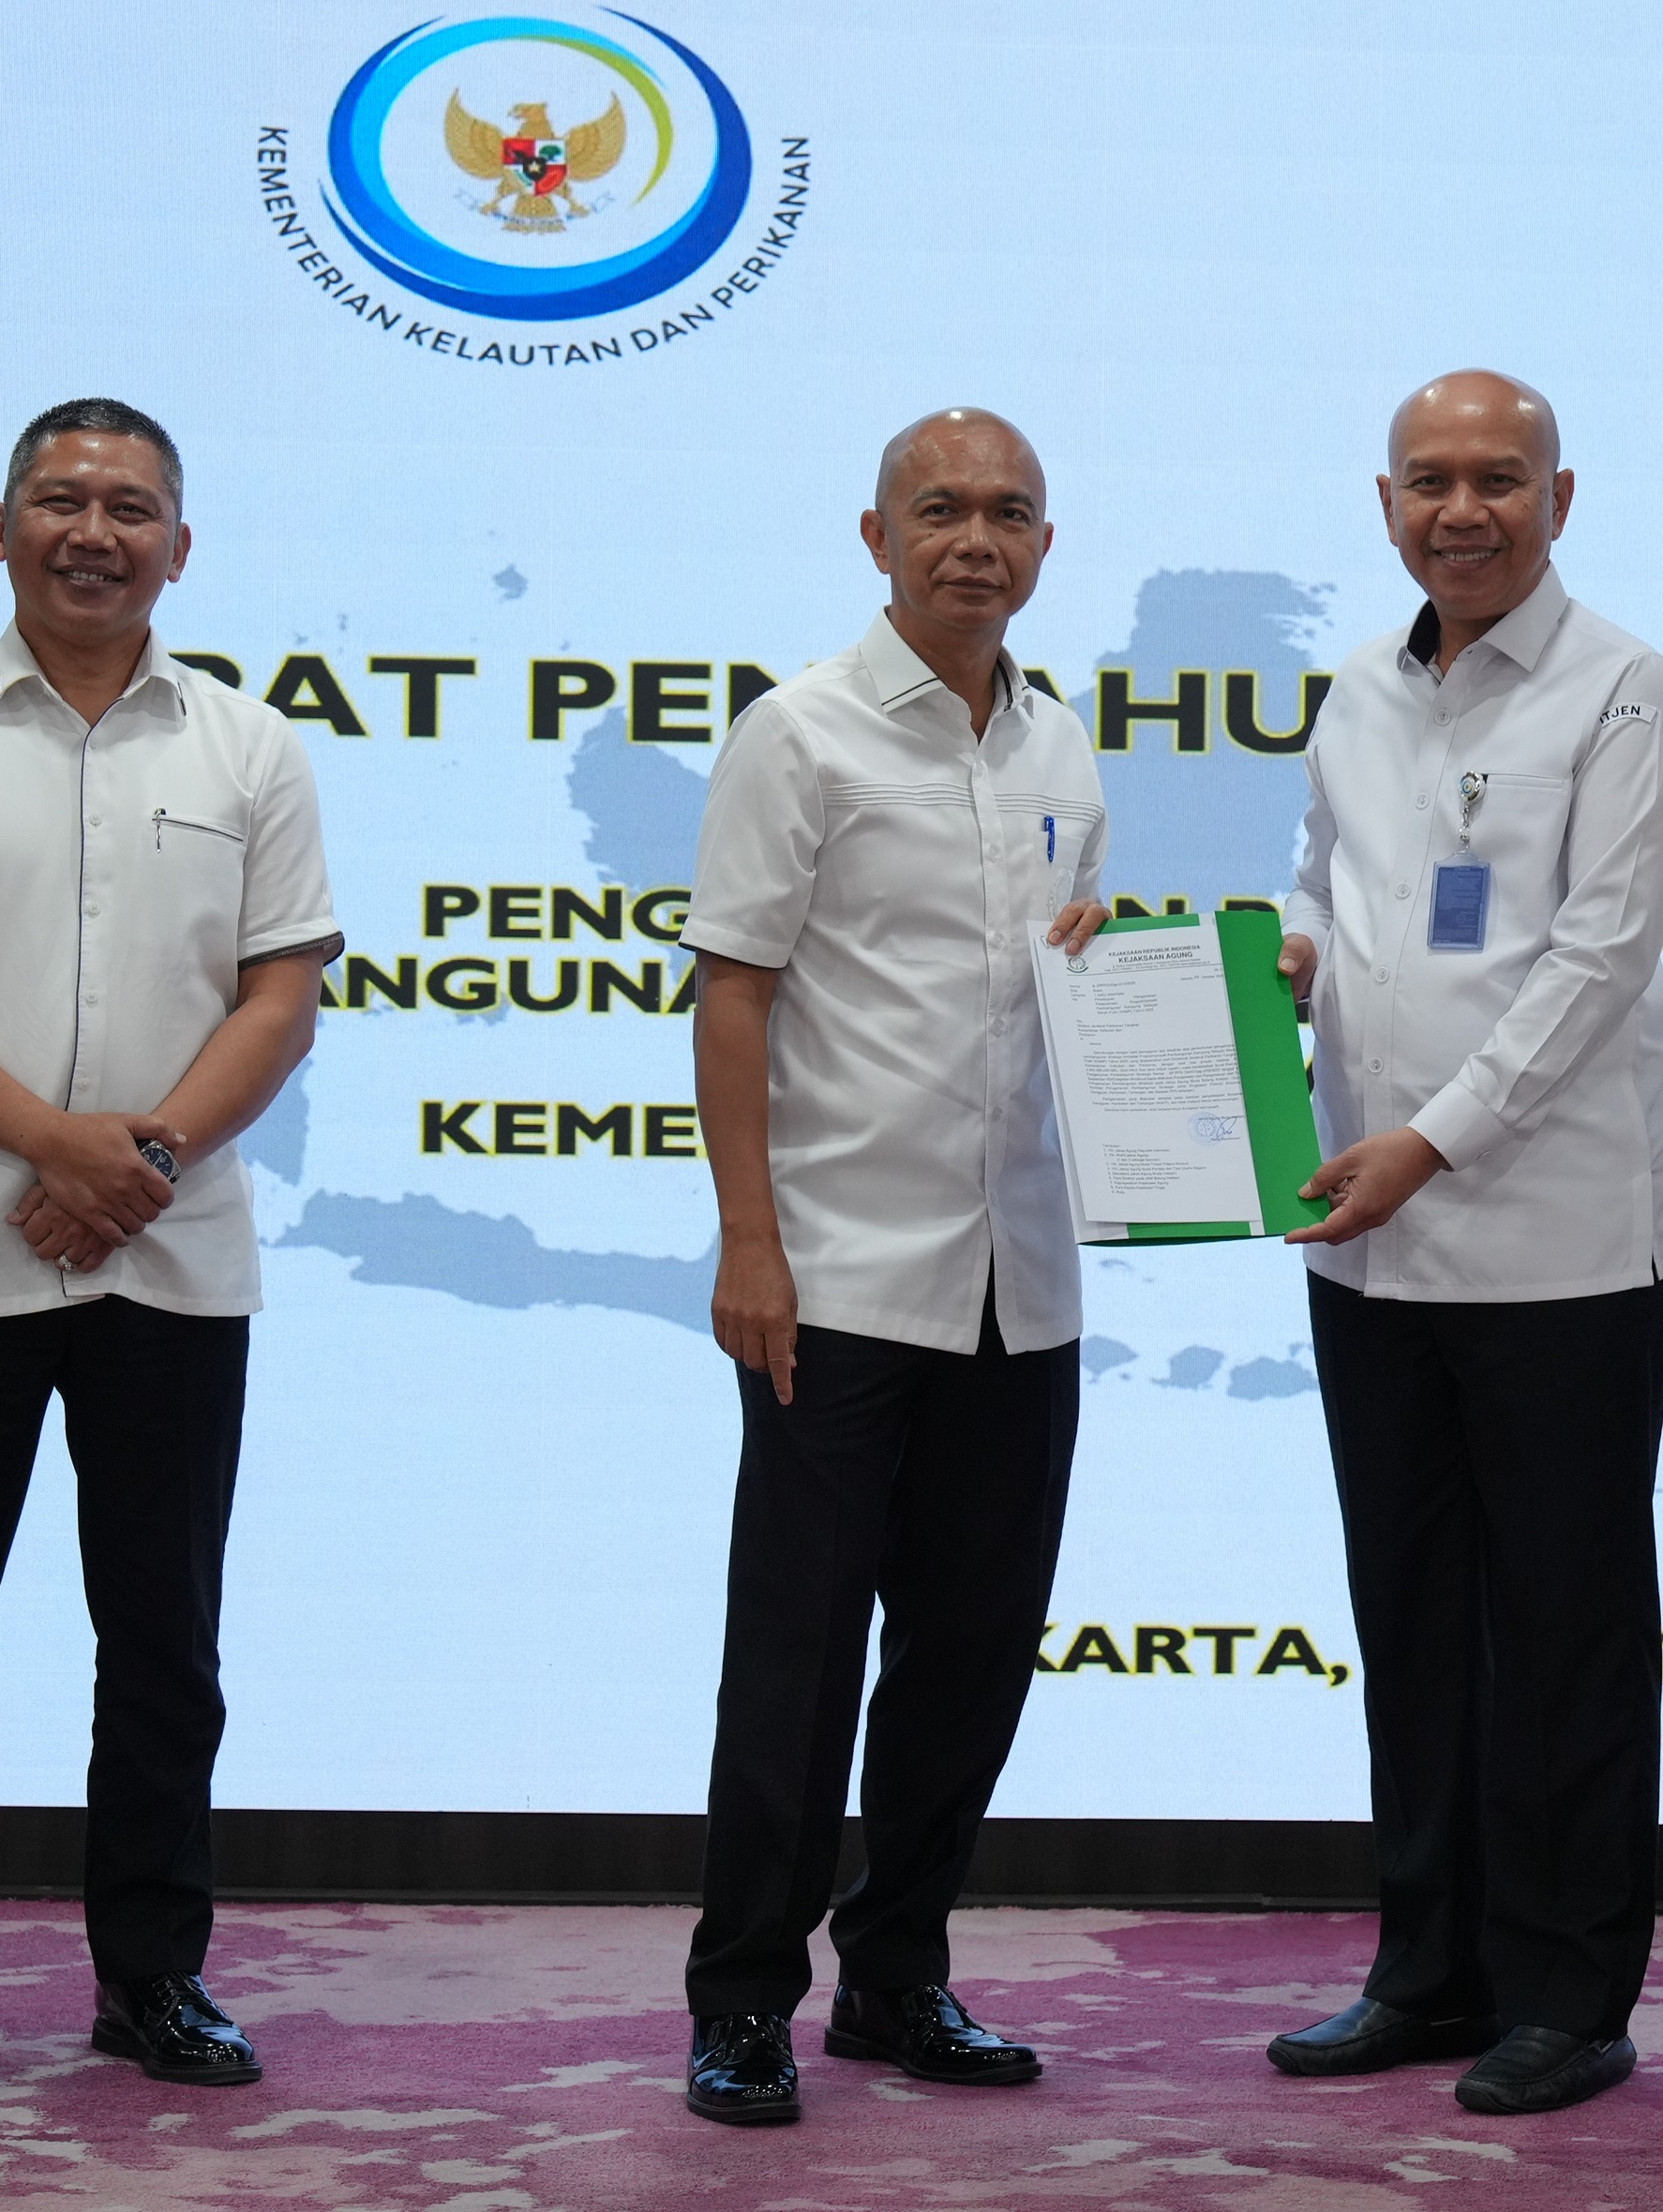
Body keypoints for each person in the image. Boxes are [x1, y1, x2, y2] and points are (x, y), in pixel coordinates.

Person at [0, 397, 340, 2101]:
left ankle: (153, 1982)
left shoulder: (249, 749)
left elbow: (282, 995)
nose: (93, 531)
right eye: (60, 500)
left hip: (170, 1262)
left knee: (163, 1643)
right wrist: (57, 1146)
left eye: (131, 507)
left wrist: (142, 1158)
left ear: (183, 545)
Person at [1262, 369, 1663, 2117]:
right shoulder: (1361, 689)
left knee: (1568, 1630)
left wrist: (1431, 1144)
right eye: (1430, 482)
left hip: (1558, 1243)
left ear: (1560, 499)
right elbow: (1324, 881)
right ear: (1386, 507)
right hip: (1365, 1248)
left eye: (1497, 481)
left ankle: (1573, 1991)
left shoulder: (1623, 690)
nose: (1463, 510)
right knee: (1417, 1617)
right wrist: (1279, 956)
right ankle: (1428, 1967)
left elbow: (1598, 967)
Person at [671, 409, 1112, 2129]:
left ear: (1044, 546)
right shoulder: (802, 734)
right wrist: (751, 1239)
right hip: (842, 1274)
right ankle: (740, 2003)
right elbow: (736, 992)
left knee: (975, 1649)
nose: (975, 541)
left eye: (1010, 511)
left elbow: (1073, 1002)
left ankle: (901, 1974)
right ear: (877, 535)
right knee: (793, 1652)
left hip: (1027, 1274)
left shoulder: (1065, 748)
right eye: (942, 511)